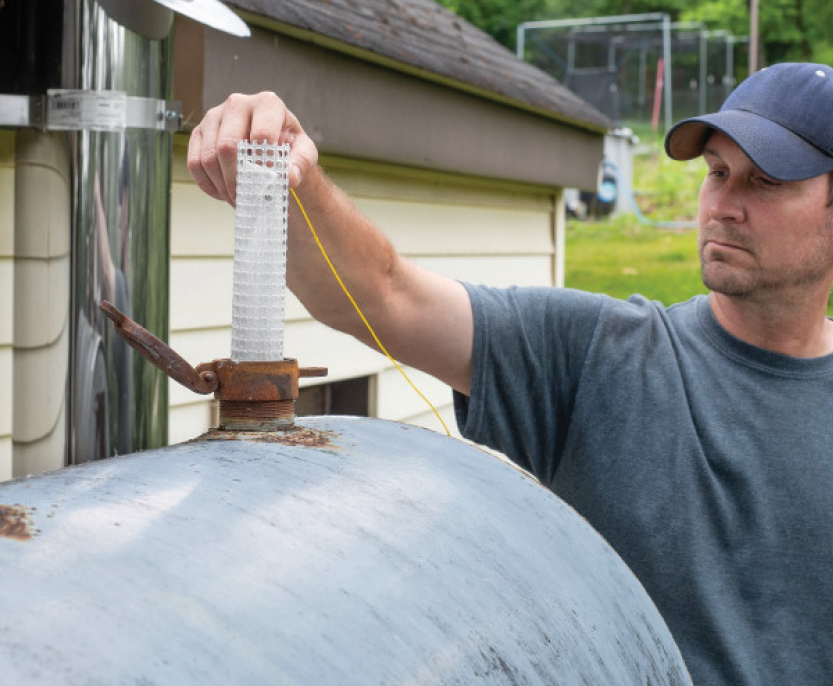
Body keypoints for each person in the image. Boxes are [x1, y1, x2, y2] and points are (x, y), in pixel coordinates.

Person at [188, 62, 833, 686]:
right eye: (717, 171)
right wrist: (294, 173)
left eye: (765, 182)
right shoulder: (598, 356)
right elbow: (381, 295)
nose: (723, 204)